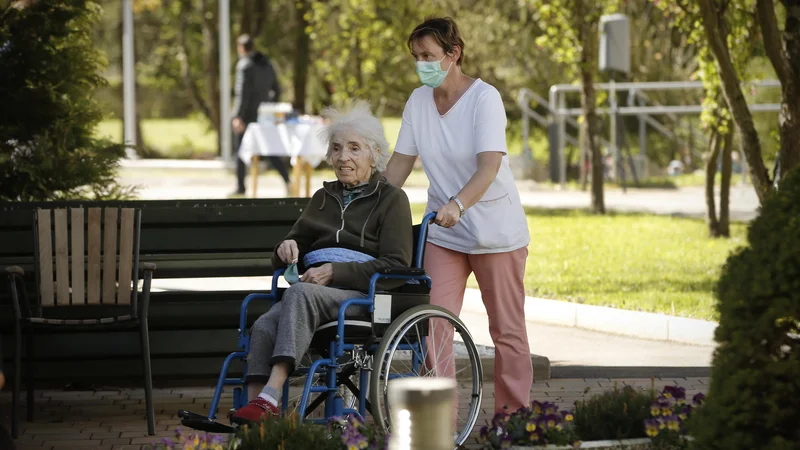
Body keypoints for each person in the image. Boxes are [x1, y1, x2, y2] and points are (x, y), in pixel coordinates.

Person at [383, 16, 533, 413]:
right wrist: (368, 201)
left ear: (454, 54)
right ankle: (440, 425)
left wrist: (458, 204)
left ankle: (513, 421)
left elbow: (488, 167)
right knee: (433, 327)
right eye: (416, 57)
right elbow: (399, 165)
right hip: (444, 234)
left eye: (429, 55)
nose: (421, 64)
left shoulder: (485, 99)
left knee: (506, 331)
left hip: (493, 233)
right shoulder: (418, 101)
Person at [231, 101, 413, 424]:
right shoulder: (322, 199)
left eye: (354, 149)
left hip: (359, 296)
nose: (343, 157)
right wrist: (285, 249)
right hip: (314, 292)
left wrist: (335, 271)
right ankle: (254, 413)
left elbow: (396, 264)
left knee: (299, 294)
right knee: (262, 326)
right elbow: (287, 249)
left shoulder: (392, 200)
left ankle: (271, 396)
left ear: (375, 154)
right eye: (337, 148)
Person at [231, 34, 291, 196]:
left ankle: (241, 187)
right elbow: (277, 90)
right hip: (264, 116)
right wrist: (269, 107)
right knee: (270, 150)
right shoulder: (266, 64)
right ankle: (287, 180)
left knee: (241, 151)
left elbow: (242, 94)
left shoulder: (244, 65)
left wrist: (237, 116)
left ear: (241, 48)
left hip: (247, 116)